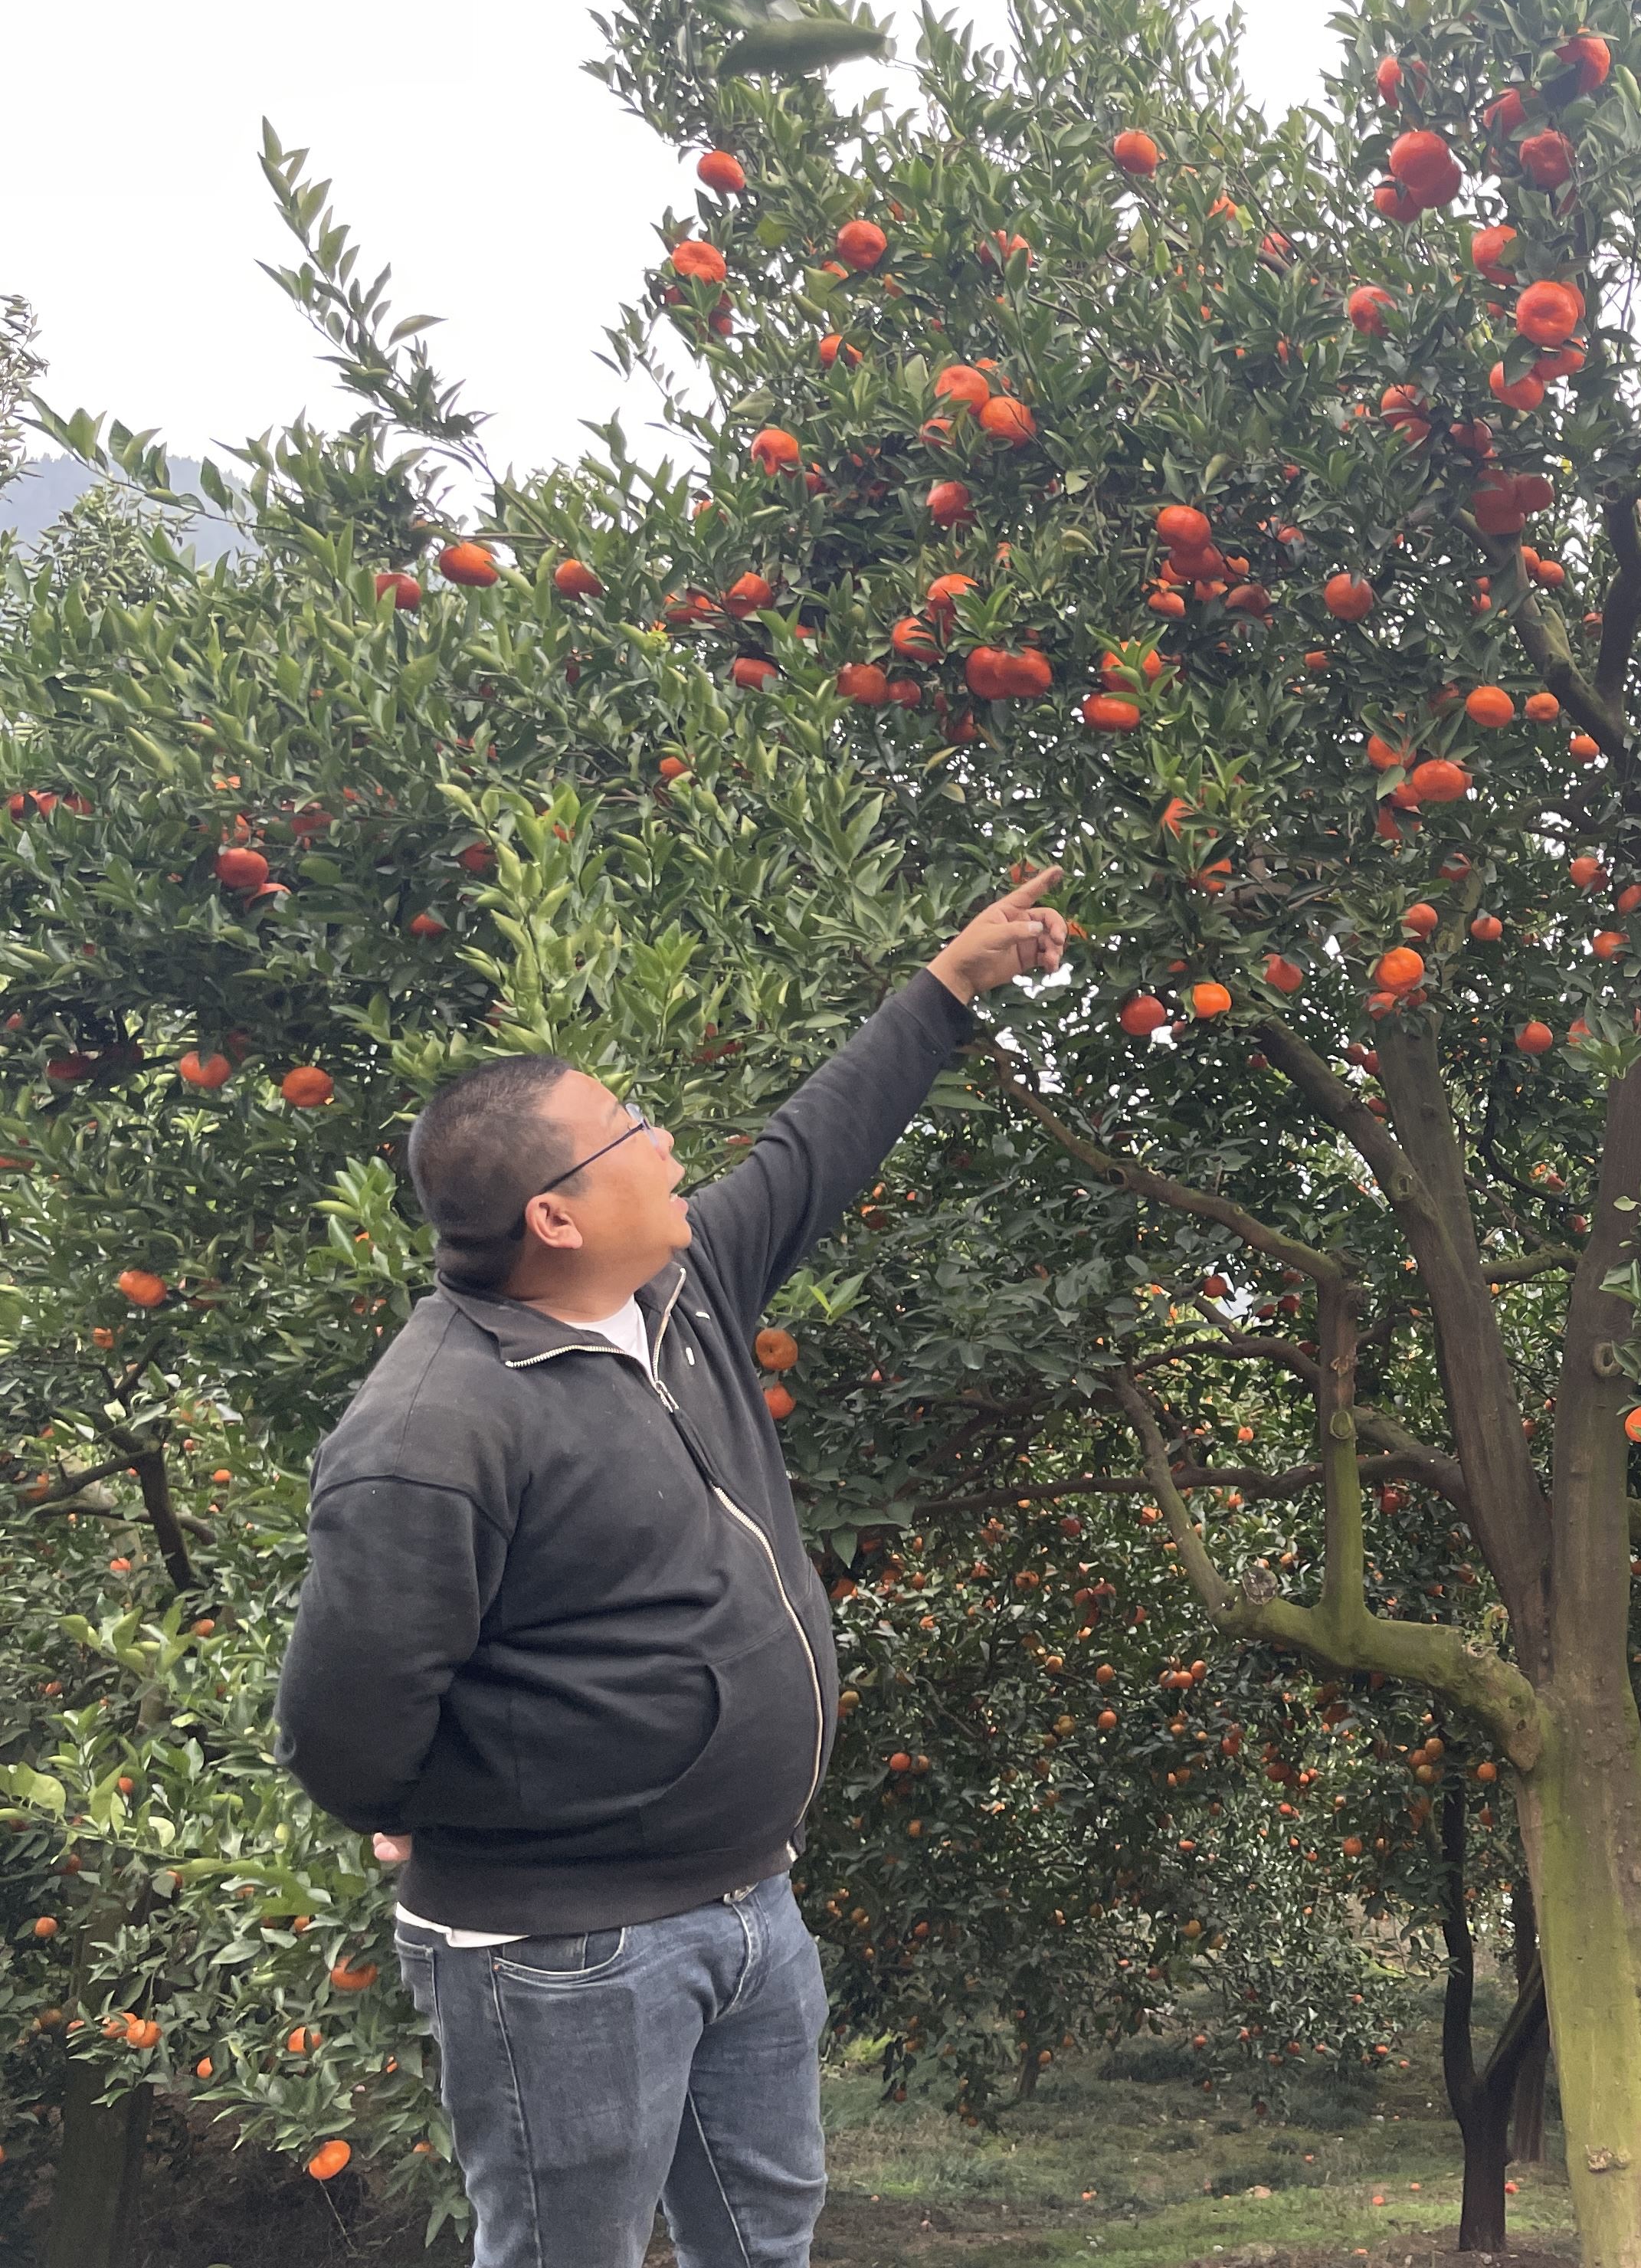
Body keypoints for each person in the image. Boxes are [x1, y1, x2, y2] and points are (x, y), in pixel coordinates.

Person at [274, 870, 1071, 2268]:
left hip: (748, 1902)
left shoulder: (675, 1298)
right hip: (564, 1955)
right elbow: (344, 1727)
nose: (664, 1142)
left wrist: (950, 988)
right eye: (631, 1130)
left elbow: (813, 1151)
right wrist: (426, 1812)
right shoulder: (432, 1431)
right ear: (556, 1217)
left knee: (763, 2245)